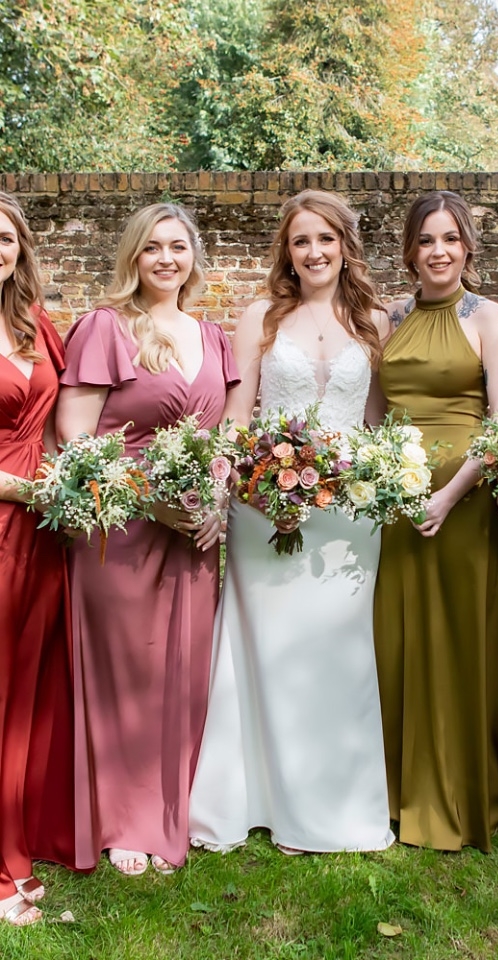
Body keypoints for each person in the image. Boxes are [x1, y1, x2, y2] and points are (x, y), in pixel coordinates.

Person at [189, 189, 394, 855]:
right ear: (288, 250)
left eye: (326, 239)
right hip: (265, 505)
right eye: (302, 241)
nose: (314, 252)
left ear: (345, 246)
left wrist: (387, 475)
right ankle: (264, 802)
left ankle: (336, 806)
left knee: (339, 655)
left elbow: (377, 420)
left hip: (352, 514)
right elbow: (238, 413)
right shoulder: (260, 317)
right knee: (270, 651)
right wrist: (227, 484)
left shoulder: (374, 319)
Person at [56, 203, 239, 876]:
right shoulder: (106, 327)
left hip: (193, 530)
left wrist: (218, 497)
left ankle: (175, 808)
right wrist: (147, 499)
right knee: (128, 669)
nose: (166, 259)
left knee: (183, 672)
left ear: (194, 256)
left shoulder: (213, 335)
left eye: (178, 247)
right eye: (152, 247)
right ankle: (124, 821)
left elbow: (224, 439)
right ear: (133, 255)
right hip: (120, 530)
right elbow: (74, 435)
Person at [374, 191, 498, 852]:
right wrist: (383, 479)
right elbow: (374, 410)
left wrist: (450, 493)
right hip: (397, 503)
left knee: (465, 636)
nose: (438, 251)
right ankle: (400, 793)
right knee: (397, 641)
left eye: (450, 239)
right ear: (409, 249)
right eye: (426, 239)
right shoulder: (388, 316)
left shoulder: (490, 318)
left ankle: (467, 795)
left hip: (464, 501)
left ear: (468, 248)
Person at [0, 193, 76, 925]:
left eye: (5, 238)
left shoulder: (36, 328)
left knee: (29, 687)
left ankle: (17, 837)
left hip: (42, 529)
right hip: (2, 516)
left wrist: (65, 478)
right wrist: (24, 486)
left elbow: (53, 427)